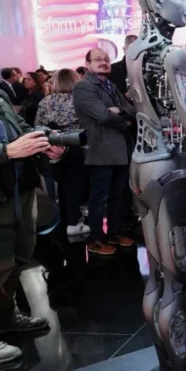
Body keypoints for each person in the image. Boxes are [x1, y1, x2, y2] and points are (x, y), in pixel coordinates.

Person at [0, 89, 65, 363]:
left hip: (20, 189)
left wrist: (43, 139)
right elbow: (11, 146)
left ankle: (5, 317)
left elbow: (20, 126)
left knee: (18, 257)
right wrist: (7, 151)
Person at [74, 48, 137, 256]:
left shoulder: (111, 85)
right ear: (88, 64)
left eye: (106, 59)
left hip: (120, 150)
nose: (103, 62)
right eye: (98, 59)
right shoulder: (84, 87)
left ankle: (115, 232)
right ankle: (95, 239)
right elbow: (102, 116)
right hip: (100, 150)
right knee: (99, 197)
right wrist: (124, 120)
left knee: (118, 196)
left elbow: (133, 111)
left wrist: (120, 112)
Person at [34, 68, 90, 237]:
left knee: (64, 186)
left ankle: (67, 219)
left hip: (54, 147)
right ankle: (73, 223)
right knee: (75, 185)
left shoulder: (45, 102)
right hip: (77, 146)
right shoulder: (81, 100)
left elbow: (38, 125)